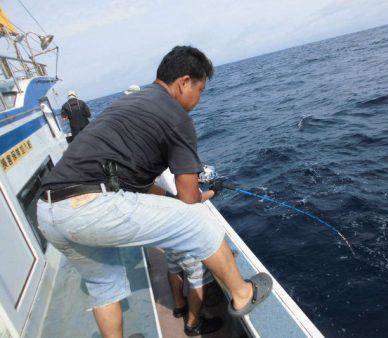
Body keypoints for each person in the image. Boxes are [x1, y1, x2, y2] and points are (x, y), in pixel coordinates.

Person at [36, 46, 272, 338]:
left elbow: (140, 183)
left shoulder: (130, 104)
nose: (198, 100)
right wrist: (204, 196)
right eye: (200, 90)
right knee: (199, 222)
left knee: (104, 287)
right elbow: (189, 200)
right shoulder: (176, 116)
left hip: (49, 212)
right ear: (184, 81)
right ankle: (242, 293)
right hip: (90, 205)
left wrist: (170, 202)